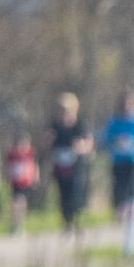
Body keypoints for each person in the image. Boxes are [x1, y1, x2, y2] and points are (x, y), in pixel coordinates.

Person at [47, 93, 93, 238]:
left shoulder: (80, 125)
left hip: (76, 166)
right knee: (63, 195)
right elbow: (47, 143)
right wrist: (48, 140)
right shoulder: (55, 126)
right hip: (61, 166)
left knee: (76, 194)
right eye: (62, 110)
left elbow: (89, 143)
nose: (64, 113)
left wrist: (81, 146)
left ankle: (77, 222)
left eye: (67, 110)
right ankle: (67, 224)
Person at [103, 89, 134, 220]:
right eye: (125, 103)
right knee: (119, 186)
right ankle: (120, 210)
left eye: (130, 103)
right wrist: (118, 142)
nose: (127, 106)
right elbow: (107, 140)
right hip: (119, 159)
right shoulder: (114, 121)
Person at [3, 130, 39, 238]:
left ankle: (20, 225)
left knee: (22, 204)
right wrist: (7, 178)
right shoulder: (12, 155)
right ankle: (15, 225)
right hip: (16, 183)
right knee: (16, 203)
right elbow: (7, 168)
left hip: (26, 182)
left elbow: (34, 165)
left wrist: (36, 177)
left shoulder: (30, 153)